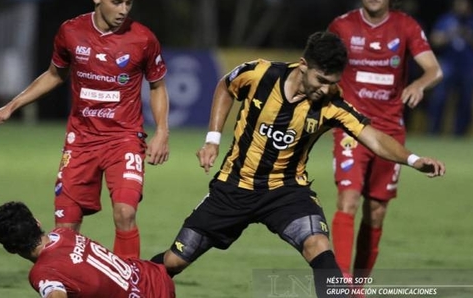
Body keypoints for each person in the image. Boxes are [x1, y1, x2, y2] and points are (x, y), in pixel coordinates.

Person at [150, 31, 445, 298]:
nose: (326, 89)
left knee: (318, 245)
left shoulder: (332, 104)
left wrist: (414, 160)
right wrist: (213, 139)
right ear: (303, 64)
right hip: (234, 187)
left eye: (333, 83)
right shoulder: (260, 74)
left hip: (287, 191)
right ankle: (131, 284)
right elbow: (226, 87)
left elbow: (374, 138)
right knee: (176, 261)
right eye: (321, 80)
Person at [0, 0, 169, 259]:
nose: (123, 10)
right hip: (80, 142)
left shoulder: (144, 39)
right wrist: (11, 106)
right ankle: (68, 282)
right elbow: (54, 74)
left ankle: (129, 286)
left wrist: (162, 131)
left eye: (129, 3)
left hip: (124, 139)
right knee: (66, 228)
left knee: (124, 213)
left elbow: (158, 86)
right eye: (116, 2)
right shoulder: (71, 32)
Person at [327, 0, 443, 280]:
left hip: (390, 130)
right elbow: (322, 66)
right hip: (351, 127)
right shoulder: (342, 26)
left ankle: (360, 284)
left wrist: (419, 84)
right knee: (347, 200)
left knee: (376, 212)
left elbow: (434, 69)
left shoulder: (405, 27)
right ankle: (341, 283)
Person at [0, 201, 176, 298]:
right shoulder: (64, 233)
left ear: (10, 249)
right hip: (157, 279)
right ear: (37, 223)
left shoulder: (42, 273)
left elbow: (55, 294)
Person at [427, 0, 473, 136]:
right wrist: (450, 34)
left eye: (465, 5)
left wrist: (471, 37)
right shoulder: (446, 20)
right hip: (448, 65)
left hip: (468, 67)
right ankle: (433, 132)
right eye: (459, 4)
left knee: (466, 102)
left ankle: (459, 134)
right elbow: (434, 40)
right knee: (440, 98)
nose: (462, 8)